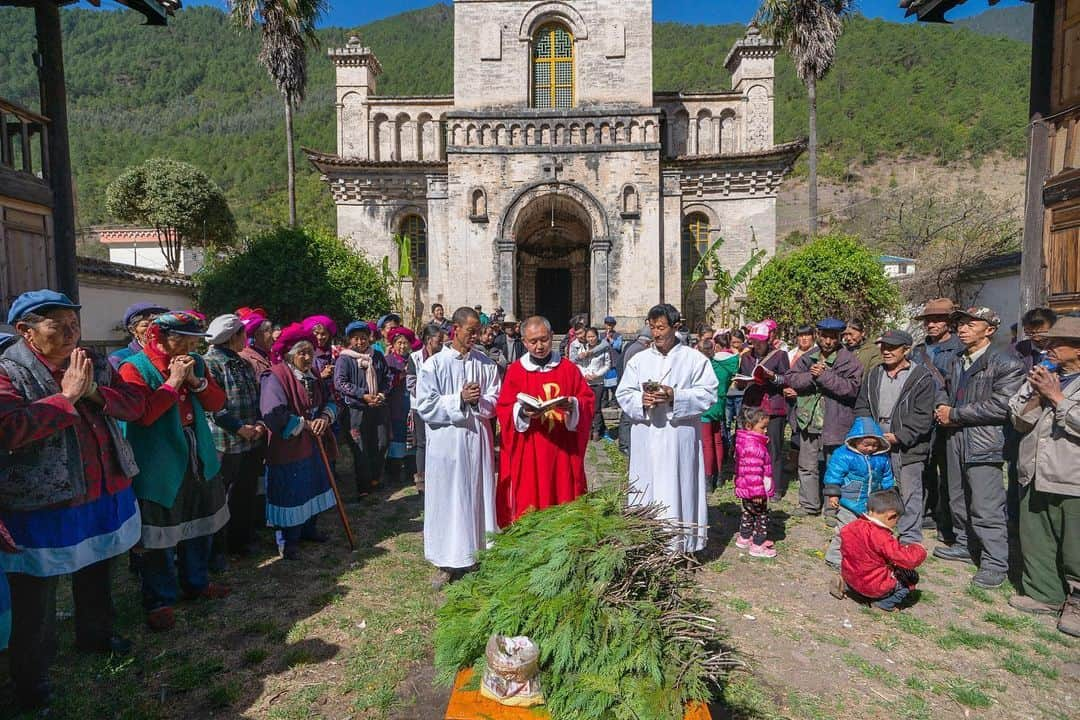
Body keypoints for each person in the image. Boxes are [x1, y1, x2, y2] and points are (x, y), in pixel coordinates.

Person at [0, 290, 146, 710]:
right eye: (56, 324)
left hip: (102, 488)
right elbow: (9, 429)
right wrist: (65, 399)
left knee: (99, 567)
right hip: (44, 502)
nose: (69, 332)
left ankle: (97, 635)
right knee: (37, 597)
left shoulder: (93, 362)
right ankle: (32, 680)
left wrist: (94, 392)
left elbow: (134, 406)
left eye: (74, 323)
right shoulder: (7, 372)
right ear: (25, 331)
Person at [118, 312, 231, 632]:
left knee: (199, 519)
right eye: (182, 338)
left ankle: (196, 582)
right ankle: (160, 598)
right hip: (159, 461)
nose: (192, 345)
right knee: (159, 531)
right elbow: (143, 415)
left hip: (197, 453)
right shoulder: (134, 368)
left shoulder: (194, 361)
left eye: (194, 339)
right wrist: (172, 382)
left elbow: (215, 402)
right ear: (159, 337)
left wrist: (196, 381)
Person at [932, 306, 1025, 589]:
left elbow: (1002, 405)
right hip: (955, 437)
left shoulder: (1006, 362)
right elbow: (943, 387)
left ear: (990, 329)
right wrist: (941, 406)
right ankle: (964, 543)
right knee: (957, 497)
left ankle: (995, 562)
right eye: (960, 324)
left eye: (972, 324)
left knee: (986, 505)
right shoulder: (957, 359)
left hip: (984, 440)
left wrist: (955, 414)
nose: (963, 329)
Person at [616, 304, 719, 553]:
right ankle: (645, 542)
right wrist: (641, 400)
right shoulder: (639, 360)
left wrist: (676, 396)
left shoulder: (694, 359)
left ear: (676, 326)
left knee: (678, 486)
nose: (656, 333)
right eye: (652, 328)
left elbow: (708, 393)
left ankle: (680, 545)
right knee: (647, 486)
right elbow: (624, 392)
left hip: (679, 436)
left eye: (661, 327)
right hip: (647, 435)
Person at [416, 307, 501, 588]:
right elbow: (426, 406)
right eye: (471, 331)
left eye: (479, 331)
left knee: (476, 495)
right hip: (447, 445)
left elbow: (495, 399)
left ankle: (477, 553)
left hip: (477, 441)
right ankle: (446, 561)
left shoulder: (486, 364)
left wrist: (479, 403)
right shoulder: (434, 365)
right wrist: (459, 399)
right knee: (448, 499)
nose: (476, 336)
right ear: (455, 329)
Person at [1007, 316, 1080, 636]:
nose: (1047, 348)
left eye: (1056, 343)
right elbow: (1018, 419)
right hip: (1034, 472)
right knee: (1037, 538)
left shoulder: (1061, 386)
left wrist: (1057, 399)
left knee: (1075, 547)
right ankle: (1044, 594)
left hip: (1071, 476)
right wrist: (1037, 395)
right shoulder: (1042, 376)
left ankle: (1077, 605)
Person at [495, 316, 595, 527]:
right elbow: (504, 409)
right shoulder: (516, 372)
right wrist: (521, 412)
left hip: (562, 450)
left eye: (544, 339)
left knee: (563, 499)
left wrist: (573, 405)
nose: (539, 346)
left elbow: (586, 401)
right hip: (530, 449)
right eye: (533, 341)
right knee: (530, 501)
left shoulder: (568, 369)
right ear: (524, 342)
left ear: (551, 337)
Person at [260, 324, 338, 560]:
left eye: (309, 353)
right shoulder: (275, 376)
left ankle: (308, 530)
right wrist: (304, 424)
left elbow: (330, 401)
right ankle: (288, 540)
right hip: (289, 446)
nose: (306, 357)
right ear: (288, 355)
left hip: (314, 444)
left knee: (312, 486)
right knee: (291, 491)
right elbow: (273, 413)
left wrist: (324, 417)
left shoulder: (313, 375)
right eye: (301, 353)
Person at [854, 330, 936, 546]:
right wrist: (868, 433)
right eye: (883, 346)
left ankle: (909, 538)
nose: (886, 351)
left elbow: (923, 417)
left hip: (908, 447)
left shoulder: (921, 377)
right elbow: (862, 405)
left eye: (892, 347)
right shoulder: (874, 374)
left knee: (909, 492)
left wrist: (899, 436)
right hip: (876, 443)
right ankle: (876, 531)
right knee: (877, 487)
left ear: (906, 350)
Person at [783, 317, 862, 523]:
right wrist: (811, 375)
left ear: (839, 338)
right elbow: (791, 377)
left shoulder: (848, 360)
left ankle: (832, 510)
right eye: (824, 336)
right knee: (807, 466)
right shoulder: (809, 357)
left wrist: (825, 377)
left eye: (832, 337)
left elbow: (851, 388)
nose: (828, 341)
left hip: (835, 422)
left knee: (834, 467)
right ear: (818, 335)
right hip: (809, 422)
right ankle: (809, 504)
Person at [203, 314, 267, 560]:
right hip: (225, 443)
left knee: (245, 491)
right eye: (243, 334)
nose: (246, 339)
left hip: (251, 439)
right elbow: (213, 408)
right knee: (222, 495)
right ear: (232, 337)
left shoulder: (242, 362)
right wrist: (239, 428)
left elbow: (256, 396)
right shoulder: (210, 364)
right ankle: (220, 547)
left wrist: (259, 424)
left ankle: (242, 539)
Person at [910, 298, 964, 538]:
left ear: (949, 322)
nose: (931, 324)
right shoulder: (919, 350)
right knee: (924, 467)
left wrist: (948, 410)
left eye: (937, 319)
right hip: (922, 416)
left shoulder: (959, 349)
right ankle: (927, 513)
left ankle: (950, 522)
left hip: (949, 417)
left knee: (951, 473)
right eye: (928, 320)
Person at [837, 490, 927, 612]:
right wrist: (919, 550)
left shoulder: (852, 526)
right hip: (873, 586)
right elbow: (908, 560)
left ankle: (846, 585)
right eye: (896, 520)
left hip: (851, 577)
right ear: (891, 515)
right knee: (907, 583)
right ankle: (884, 604)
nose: (895, 524)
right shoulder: (882, 537)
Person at [822, 418, 896, 568]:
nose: (870, 448)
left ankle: (856, 557)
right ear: (855, 441)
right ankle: (834, 557)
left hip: (870, 504)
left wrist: (889, 493)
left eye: (874, 445)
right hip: (848, 502)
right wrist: (833, 494)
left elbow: (887, 476)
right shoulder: (844, 455)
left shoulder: (881, 458)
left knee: (864, 534)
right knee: (845, 532)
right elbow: (834, 475)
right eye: (866, 444)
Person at [334, 322, 392, 497]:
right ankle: (364, 487)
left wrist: (381, 394)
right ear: (350, 340)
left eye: (363, 338)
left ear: (369, 338)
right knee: (361, 448)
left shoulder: (377, 356)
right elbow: (341, 382)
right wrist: (362, 395)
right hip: (356, 410)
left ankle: (375, 478)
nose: (360, 342)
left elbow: (387, 377)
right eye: (356, 338)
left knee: (381, 443)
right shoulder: (345, 359)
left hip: (378, 406)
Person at [735, 322, 791, 495]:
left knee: (773, 448)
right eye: (753, 341)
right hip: (751, 406)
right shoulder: (746, 357)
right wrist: (740, 382)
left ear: (768, 340)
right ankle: (748, 482)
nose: (757, 345)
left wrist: (772, 377)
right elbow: (739, 381)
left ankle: (776, 488)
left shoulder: (779, 355)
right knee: (747, 447)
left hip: (772, 407)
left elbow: (787, 379)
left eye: (760, 341)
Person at [733, 406, 777, 557]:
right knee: (761, 516)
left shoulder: (745, 441)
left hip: (746, 488)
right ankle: (758, 544)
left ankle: (744, 537)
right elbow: (753, 472)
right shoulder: (754, 446)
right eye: (763, 427)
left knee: (748, 512)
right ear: (749, 426)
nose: (766, 431)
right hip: (755, 490)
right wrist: (758, 492)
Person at [698, 337, 740, 489]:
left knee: (707, 443)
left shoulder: (702, 367)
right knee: (717, 440)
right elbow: (736, 359)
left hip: (705, 407)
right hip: (720, 404)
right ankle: (720, 475)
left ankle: (708, 479)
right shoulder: (724, 365)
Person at [408, 326, 444, 494]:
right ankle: (421, 479)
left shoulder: (444, 358)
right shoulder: (415, 358)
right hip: (420, 407)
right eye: (439, 340)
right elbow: (411, 383)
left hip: (440, 405)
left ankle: (439, 476)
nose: (442, 344)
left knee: (439, 441)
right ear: (429, 340)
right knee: (422, 443)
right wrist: (428, 395)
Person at [384, 327, 419, 483]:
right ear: (393, 344)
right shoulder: (388, 361)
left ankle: (412, 472)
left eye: (405, 343)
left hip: (411, 405)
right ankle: (394, 474)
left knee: (411, 437)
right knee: (396, 437)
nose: (402, 346)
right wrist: (401, 376)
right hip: (395, 406)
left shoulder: (414, 359)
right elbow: (385, 383)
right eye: (399, 343)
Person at [617, 325, 652, 455]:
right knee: (627, 417)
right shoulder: (640, 350)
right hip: (634, 387)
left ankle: (624, 443)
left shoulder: (633, 346)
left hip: (631, 385)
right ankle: (625, 444)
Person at [571, 326, 610, 440]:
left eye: (593, 336)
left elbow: (607, 364)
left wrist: (597, 375)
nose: (591, 339)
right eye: (588, 337)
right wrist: (584, 375)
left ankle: (597, 430)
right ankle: (588, 429)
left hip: (598, 382)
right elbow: (579, 364)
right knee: (585, 407)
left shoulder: (603, 348)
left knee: (596, 408)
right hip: (586, 382)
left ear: (597, 337)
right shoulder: (583, 348)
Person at [108, 302, 167, 370]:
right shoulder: (118, 359)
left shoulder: (171, 354)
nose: (153, 329)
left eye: (158, 324)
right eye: (145, 325)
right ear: (133, 330)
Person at [240, 313, 274, 382]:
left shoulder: (264, 355)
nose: (272, 337)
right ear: (257, 334)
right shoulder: (245, 358)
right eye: (269, 331)